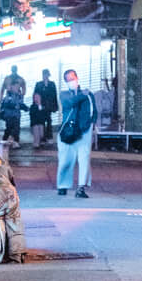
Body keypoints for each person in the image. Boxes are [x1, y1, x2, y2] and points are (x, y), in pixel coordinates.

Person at [56, 68, 97, 196]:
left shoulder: (88, 94)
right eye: (68, 80)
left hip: (84, 131)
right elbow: (69, 103)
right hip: (68, 132)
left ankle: (81, 187)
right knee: (65, 160)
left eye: (72, 78)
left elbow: (94, 110)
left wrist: (92, 124)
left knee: (84, 158)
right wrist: (82, 95)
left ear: (77, 78)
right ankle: (62, 185)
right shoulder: (64, 94)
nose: (71, 81)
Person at [0, 67, 26, 144]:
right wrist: (1, 100)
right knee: (9, 125)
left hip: (16, 101)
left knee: (16, 124)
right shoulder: (7, 78)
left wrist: (20, 97)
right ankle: (5, 140)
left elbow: (24, 90)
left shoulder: (20, 79)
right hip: (9, 103)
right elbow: (2, 90)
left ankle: (15, 141)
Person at [37, 68, 59, 141]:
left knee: (49, 120)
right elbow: (36, 95)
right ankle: (42, 137)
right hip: (41, 105)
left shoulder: (52, 84)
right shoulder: (39, 84)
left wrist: (55, 106)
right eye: (44, 74)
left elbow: (55, 95)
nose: (46, 76)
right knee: (42, 121)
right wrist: (37, 105)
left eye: (47, 74)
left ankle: (49, 136)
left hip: (49, 105)